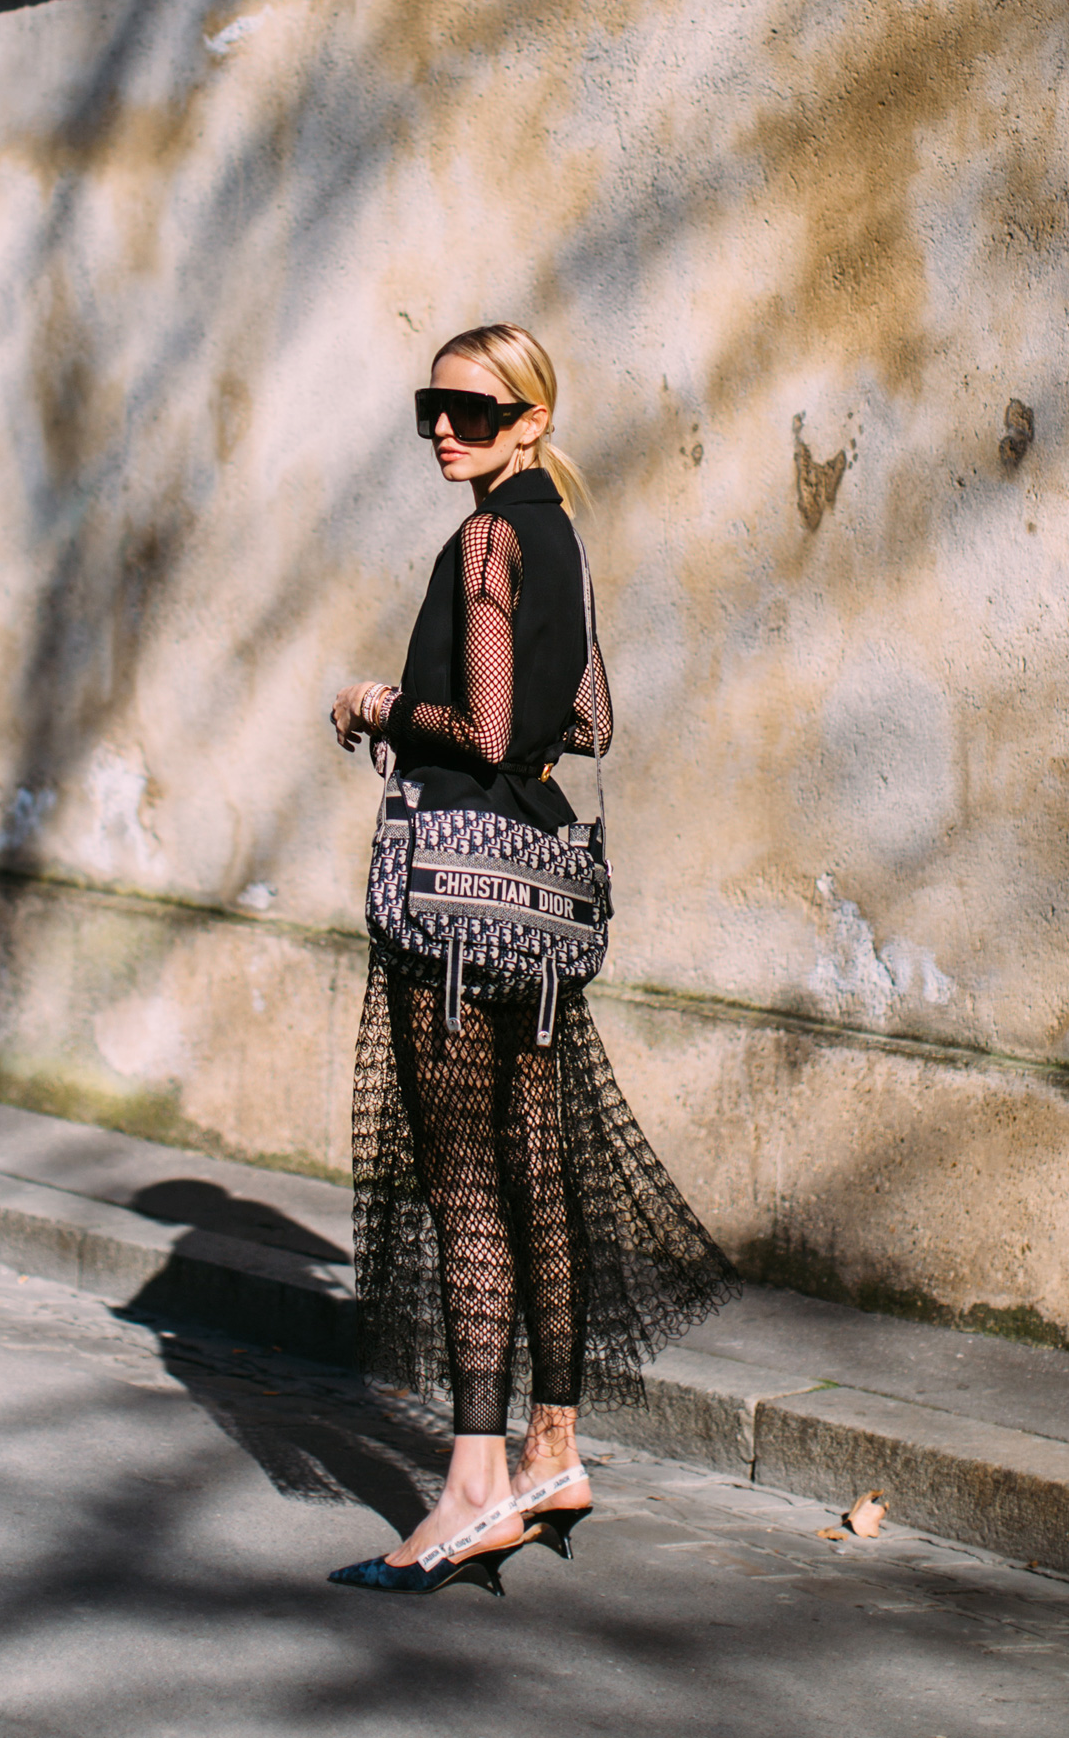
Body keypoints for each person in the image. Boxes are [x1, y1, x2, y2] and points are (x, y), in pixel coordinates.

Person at [326, 322, 740, 1596]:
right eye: (428, 406)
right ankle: (553, 1448)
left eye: (470, 407)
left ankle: (470, 1489)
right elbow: (593, 719)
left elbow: (493, 729)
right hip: (544, 905)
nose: (443, 426)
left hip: (457, 902)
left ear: (531, 420)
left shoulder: (493, 537)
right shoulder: (563, 538)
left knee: (463, 1191)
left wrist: (379, 707)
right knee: (538, 1171)